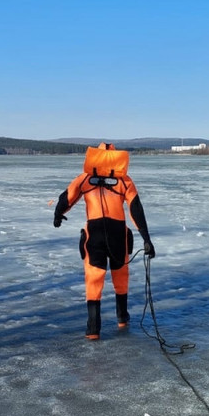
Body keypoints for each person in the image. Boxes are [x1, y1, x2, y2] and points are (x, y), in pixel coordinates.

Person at [53, 142, 155, 339]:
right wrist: (146, 238)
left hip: (94, 234)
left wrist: (58, 214)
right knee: (121, 277)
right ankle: (122, 318)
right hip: (119, 235)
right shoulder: (124, 180)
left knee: (93, 279)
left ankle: (93, 330)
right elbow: (136, 209)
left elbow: (67, 197)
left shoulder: (85, 178)